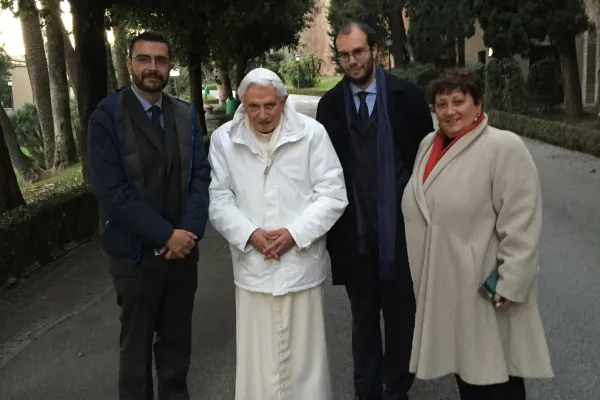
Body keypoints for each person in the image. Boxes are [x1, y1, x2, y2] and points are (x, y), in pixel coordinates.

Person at [401, 68, 554, 399]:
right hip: (445, 285)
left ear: (478, 103)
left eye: (459, 101)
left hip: (485, 290)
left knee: (495, 378)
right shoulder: (429, 145)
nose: (450, 111)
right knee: (468, 378)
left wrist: (510, 282)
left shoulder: (503, 147)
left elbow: (522, 221)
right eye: (442, 104)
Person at [208, 67, 348, 400]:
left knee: (305, 361)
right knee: (257, 360)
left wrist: (295, 234)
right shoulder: (224, 139)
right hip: (253, 266)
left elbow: (333, 193)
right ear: (242, 102)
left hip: (299, 263)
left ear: (283, 101)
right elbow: (219, 198)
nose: (262, 114)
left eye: (270, 105)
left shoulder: (312, 134)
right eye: (253, 106)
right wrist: (250, 234)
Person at [88, 31, 211, 400]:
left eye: (160, 60)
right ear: (129, 64)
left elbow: (200, 178)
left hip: (182, 255)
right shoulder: (106, 117)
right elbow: (113, 193)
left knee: (176, 349)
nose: (152, 67)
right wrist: (164, 235)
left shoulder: (185, 115)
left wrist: (187, 232)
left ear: (170, 66)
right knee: (136, 353)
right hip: (135, 257)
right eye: (144, 59)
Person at [316, 22, 434, 400]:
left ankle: (396, 385)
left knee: (402, 316)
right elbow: (323, 172)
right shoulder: (330, 106)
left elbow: (424, 163)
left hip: (401, 232)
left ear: (376, 51)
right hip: (355, 234)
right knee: (363, 319)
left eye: (359, 52)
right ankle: (366, 389)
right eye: (345, 54)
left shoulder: (408, 97)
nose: (352, 61)